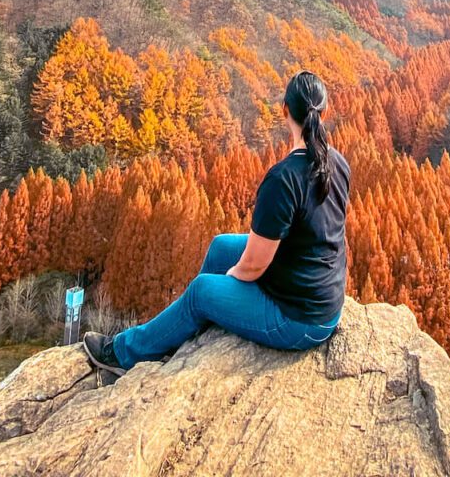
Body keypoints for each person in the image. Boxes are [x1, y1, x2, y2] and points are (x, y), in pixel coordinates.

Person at [82, 70, 351, 376]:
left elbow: (253, 267)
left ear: (284, 110)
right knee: (221, 246)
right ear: (324, 111)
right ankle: (189, 324)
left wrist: (232, 277)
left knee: (201, 291)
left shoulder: (283, 179)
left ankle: (122, 354)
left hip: (301, 321)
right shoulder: (337, 162)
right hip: (317, 292)